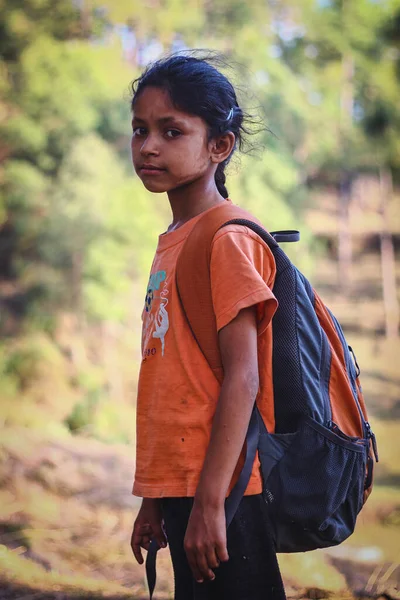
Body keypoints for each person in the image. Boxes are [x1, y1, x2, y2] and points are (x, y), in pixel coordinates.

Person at [129, 52, 287, 600]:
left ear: (220, 146)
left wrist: (212, 502)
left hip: (227, 489)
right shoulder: (176, 237)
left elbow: (243, 377)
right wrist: (155, 498)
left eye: (172, 131)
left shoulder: (227, 237)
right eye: (140, 130)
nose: (148, 146)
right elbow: (179, 378)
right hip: (187, 489)